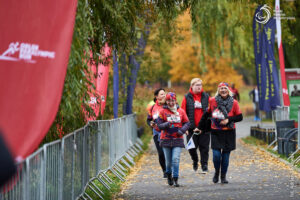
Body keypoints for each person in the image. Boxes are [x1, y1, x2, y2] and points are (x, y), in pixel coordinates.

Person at [198, 82, 243, 184]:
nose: (223, 90)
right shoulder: (213, 101)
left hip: (229, 132)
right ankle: (216, 172)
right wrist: (199, 127)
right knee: (216, 155)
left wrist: (228, 120)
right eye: (221, 88)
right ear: (218, 90)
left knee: (226, 156)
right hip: (216, 131)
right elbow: (206, 114)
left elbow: (240, 117)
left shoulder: (234, 102)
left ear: (228, 90)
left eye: (225, 88)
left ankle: (223, 176)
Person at [157, 92, 190, 187]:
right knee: (168, 162)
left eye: (173, 100)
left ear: (175, 100)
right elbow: (159, 126)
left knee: (175, 159)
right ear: (166, 101)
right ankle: (169, 175)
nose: (171, 102)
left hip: (177, 139)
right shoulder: (162, 112)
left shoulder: (181, 111)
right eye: (169, 100)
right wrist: (167, 124)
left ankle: (175, 178)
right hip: (166, 139)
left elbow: (187, 123)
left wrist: (182, 131)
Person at [181, 78, 210, 173]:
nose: (199, 87)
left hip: (204, 128)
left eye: (200, 85)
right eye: (197, 85)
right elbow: (182, 113)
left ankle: (204, 165)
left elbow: (210, 111)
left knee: (204, 147)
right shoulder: (187, 97)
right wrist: (184, 127)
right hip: (191, 128)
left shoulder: (206, 96)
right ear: (192, 86)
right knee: (191, 148)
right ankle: (195, 160)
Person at [146, 88, 166, 178]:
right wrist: (150, 123)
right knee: (161, 153)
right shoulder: (153, 107)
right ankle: (165, 171)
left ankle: (170, 170)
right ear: (156, 96)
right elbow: (149, 119)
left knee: (168, 152)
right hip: (157, 132)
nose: (164, 95)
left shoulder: (169, 105)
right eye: (161, 94)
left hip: (168, 133)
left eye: (164, 94)